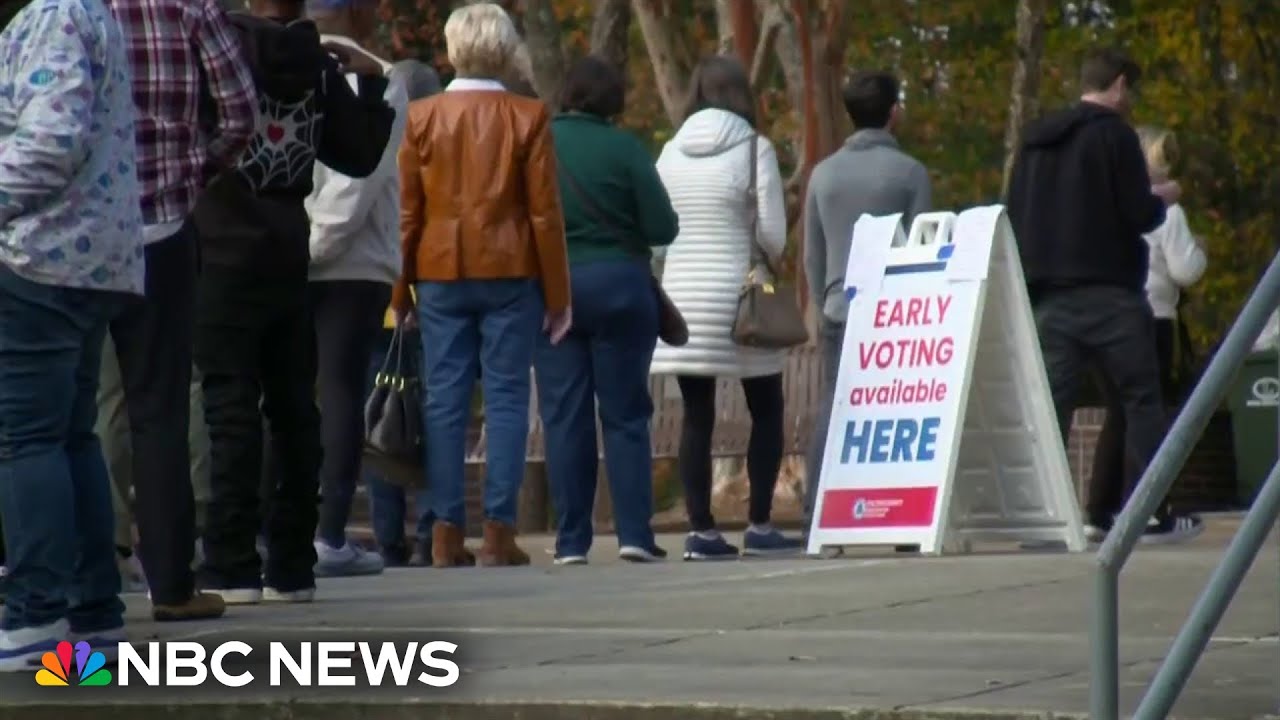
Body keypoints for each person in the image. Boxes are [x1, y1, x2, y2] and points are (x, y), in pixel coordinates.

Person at [192, 0, 395, 604]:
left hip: (221, 247)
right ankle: (291, 563)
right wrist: (374, 83)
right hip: (287, 248)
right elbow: (357, 156)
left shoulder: (216, 54)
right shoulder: (319, 65)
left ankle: (230, 561)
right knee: (293, 410)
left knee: (229, 406)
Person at [393, 2, 571, 568]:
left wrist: (400, 293)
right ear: (505, 49)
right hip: (512, 269)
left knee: (444, 398)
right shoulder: (528, 115)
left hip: (439, 269)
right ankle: (499, 529)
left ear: (450, 49)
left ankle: (446, 530)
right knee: (507, 398)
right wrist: (559, 295)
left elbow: (408, 213)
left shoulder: (422, 117)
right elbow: (544, 213)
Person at [1006, 47, 1202, 544]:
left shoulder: (1035, 142)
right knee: (1140, 401)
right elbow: (1137, 214)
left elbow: (1015, 213)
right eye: (1129, 89)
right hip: (1111, 293)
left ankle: (1040, 517)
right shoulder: (1115, 136)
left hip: (1048, 296)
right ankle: (1150, 511)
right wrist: (1162, 201)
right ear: (1117, 84)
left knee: (1053, 409)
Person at [102, 0, 258, 620]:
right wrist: (199, 164)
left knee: (81, 408)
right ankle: (171, 584)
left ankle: (87, 573)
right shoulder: (191, 8)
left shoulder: (73, 11)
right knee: (160, 410)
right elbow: (241, 112)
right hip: (165, 226)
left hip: (85, 231)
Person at [0, 0, 143, 667]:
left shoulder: (55, 16)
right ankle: (91, 607)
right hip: (97, 257)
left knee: (26, 437)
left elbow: (50, 141)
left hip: (40, 254)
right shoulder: (92, 14)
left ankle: (36, 613)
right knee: (70, 433)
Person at [650, 56, 802, 561]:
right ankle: (759, 525)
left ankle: (702, 533)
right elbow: (773, 236)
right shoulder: (755, 149)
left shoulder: (669, 152)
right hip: (742, 302)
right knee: (767, 407)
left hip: (685, 301)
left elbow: (657, 236)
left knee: (697, 414)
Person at [533, 56, 679, 565]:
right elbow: (663, 228)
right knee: (625, 414)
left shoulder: (538, 142)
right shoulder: (624, 148)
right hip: (621, 289)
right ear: (613, 100)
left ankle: (572, 542)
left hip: (553, 292)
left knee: (564, 416)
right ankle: (635, 535)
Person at [302, 0, 409, 578]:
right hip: (349, 258)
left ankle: (312, 529)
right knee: (337, 389)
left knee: (315, 391)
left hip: (308, 254)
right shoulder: (379, 80)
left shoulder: (300, 66)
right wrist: (315, 243)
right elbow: (355, 183)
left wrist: (300, 244)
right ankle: (323, 532)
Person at [801, 70, 932, 522]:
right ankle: (902, 515)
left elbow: (811, 256)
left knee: (833, 406)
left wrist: (825, 303)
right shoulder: (910, 173)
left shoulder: (823, 174)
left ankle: (814, 514)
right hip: (896, 311)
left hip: (841, 306)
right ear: (894, 113)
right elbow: (921, 247)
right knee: (903, 412)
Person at [1086, 126, 1207, 541]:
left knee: (1116, 416)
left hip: (1106, 317)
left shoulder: (1104, 206)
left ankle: (1100, 509)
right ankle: (1149, 509)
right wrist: (1201, 250)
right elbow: (1185, 270)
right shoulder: (1168, 212)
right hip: (1153, 318)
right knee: (1146, 412)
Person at [366, 59, 442, 568]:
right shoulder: (438, 151)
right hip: (425, 298)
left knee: (381, 421)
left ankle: (388, 537)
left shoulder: (374, 143)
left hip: (376, 300)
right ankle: (431, 533)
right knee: (433, 417)